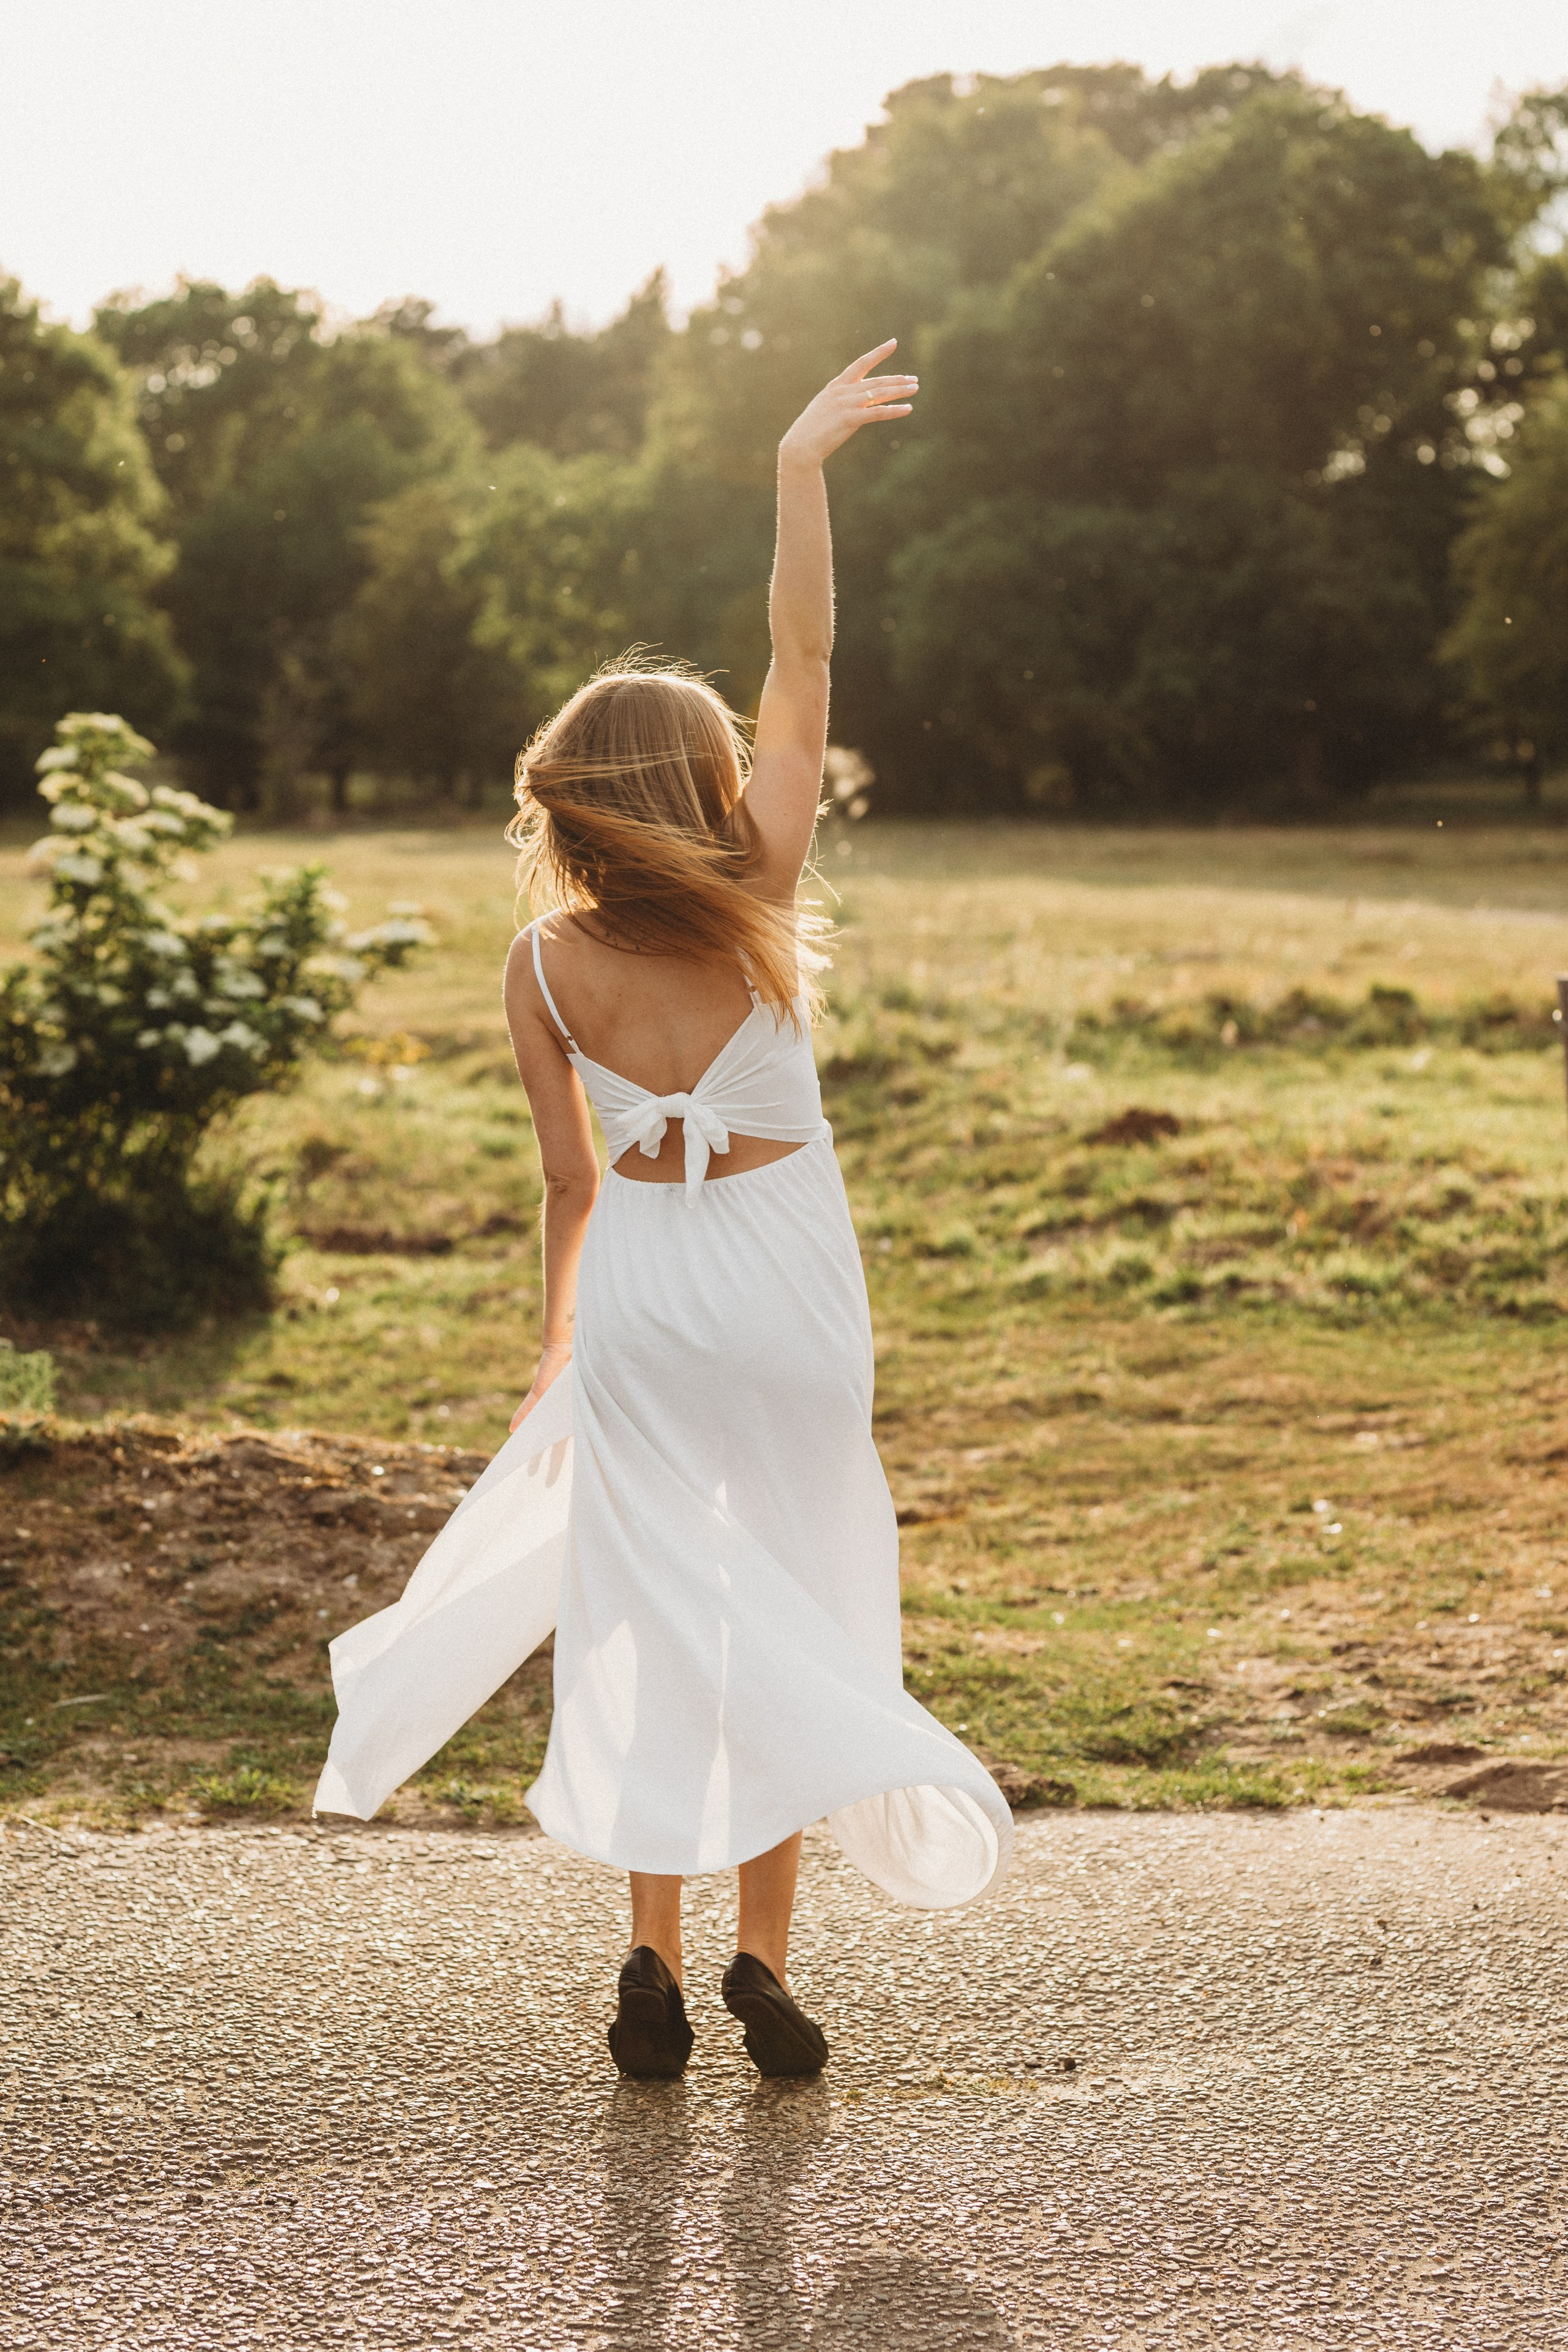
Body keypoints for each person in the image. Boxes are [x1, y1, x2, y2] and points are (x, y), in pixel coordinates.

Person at [312, 342, 1011, 2082]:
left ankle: (651, 1947)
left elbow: (566, 1182)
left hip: (644, 1292)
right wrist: (797, 467)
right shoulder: (759, 894)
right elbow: (803, 654)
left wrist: (565, 1343)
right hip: (787, 1287)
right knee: (793, 1587)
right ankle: (767, 1958)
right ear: (700, 787)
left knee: (648, 1605)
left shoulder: (543, 963)